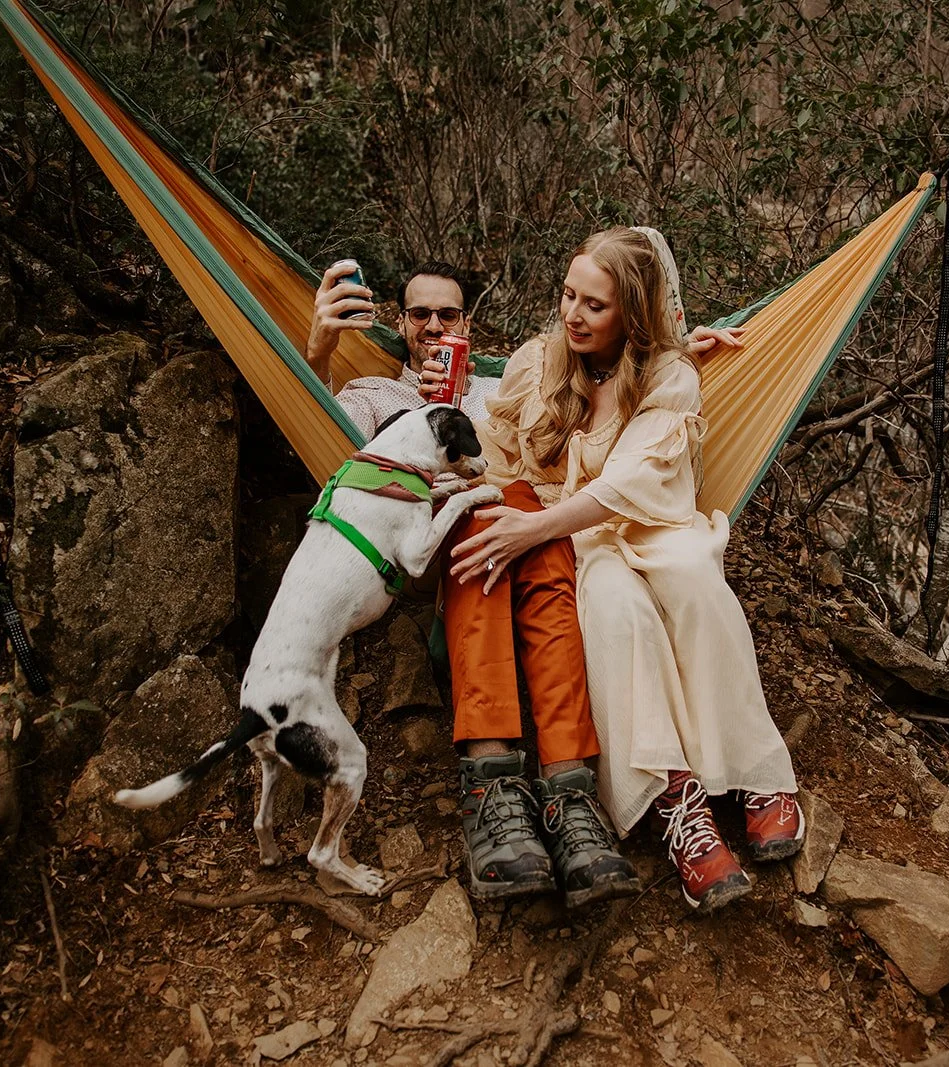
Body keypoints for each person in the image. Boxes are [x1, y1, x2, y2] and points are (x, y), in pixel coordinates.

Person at [433, 227, 802, 913]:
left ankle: (758, 773)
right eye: (568, 295)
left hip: (649, 520)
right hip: (579, 536)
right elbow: (493, 452)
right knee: (613, 607)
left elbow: (631, 480)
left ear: (631, 313)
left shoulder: (670, 376)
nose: (572, 314)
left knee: (695, 577)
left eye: (594, 306)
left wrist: (533, 529)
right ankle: (675, 798)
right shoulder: (536, 364)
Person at [304, 260, 498, 434]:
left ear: (466, 325)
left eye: (448, 315)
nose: (434, 327)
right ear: (401, 324)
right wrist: (317, 355)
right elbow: (324, 438)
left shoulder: (502, 392)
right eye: (419, 314)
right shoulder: (372, 396)